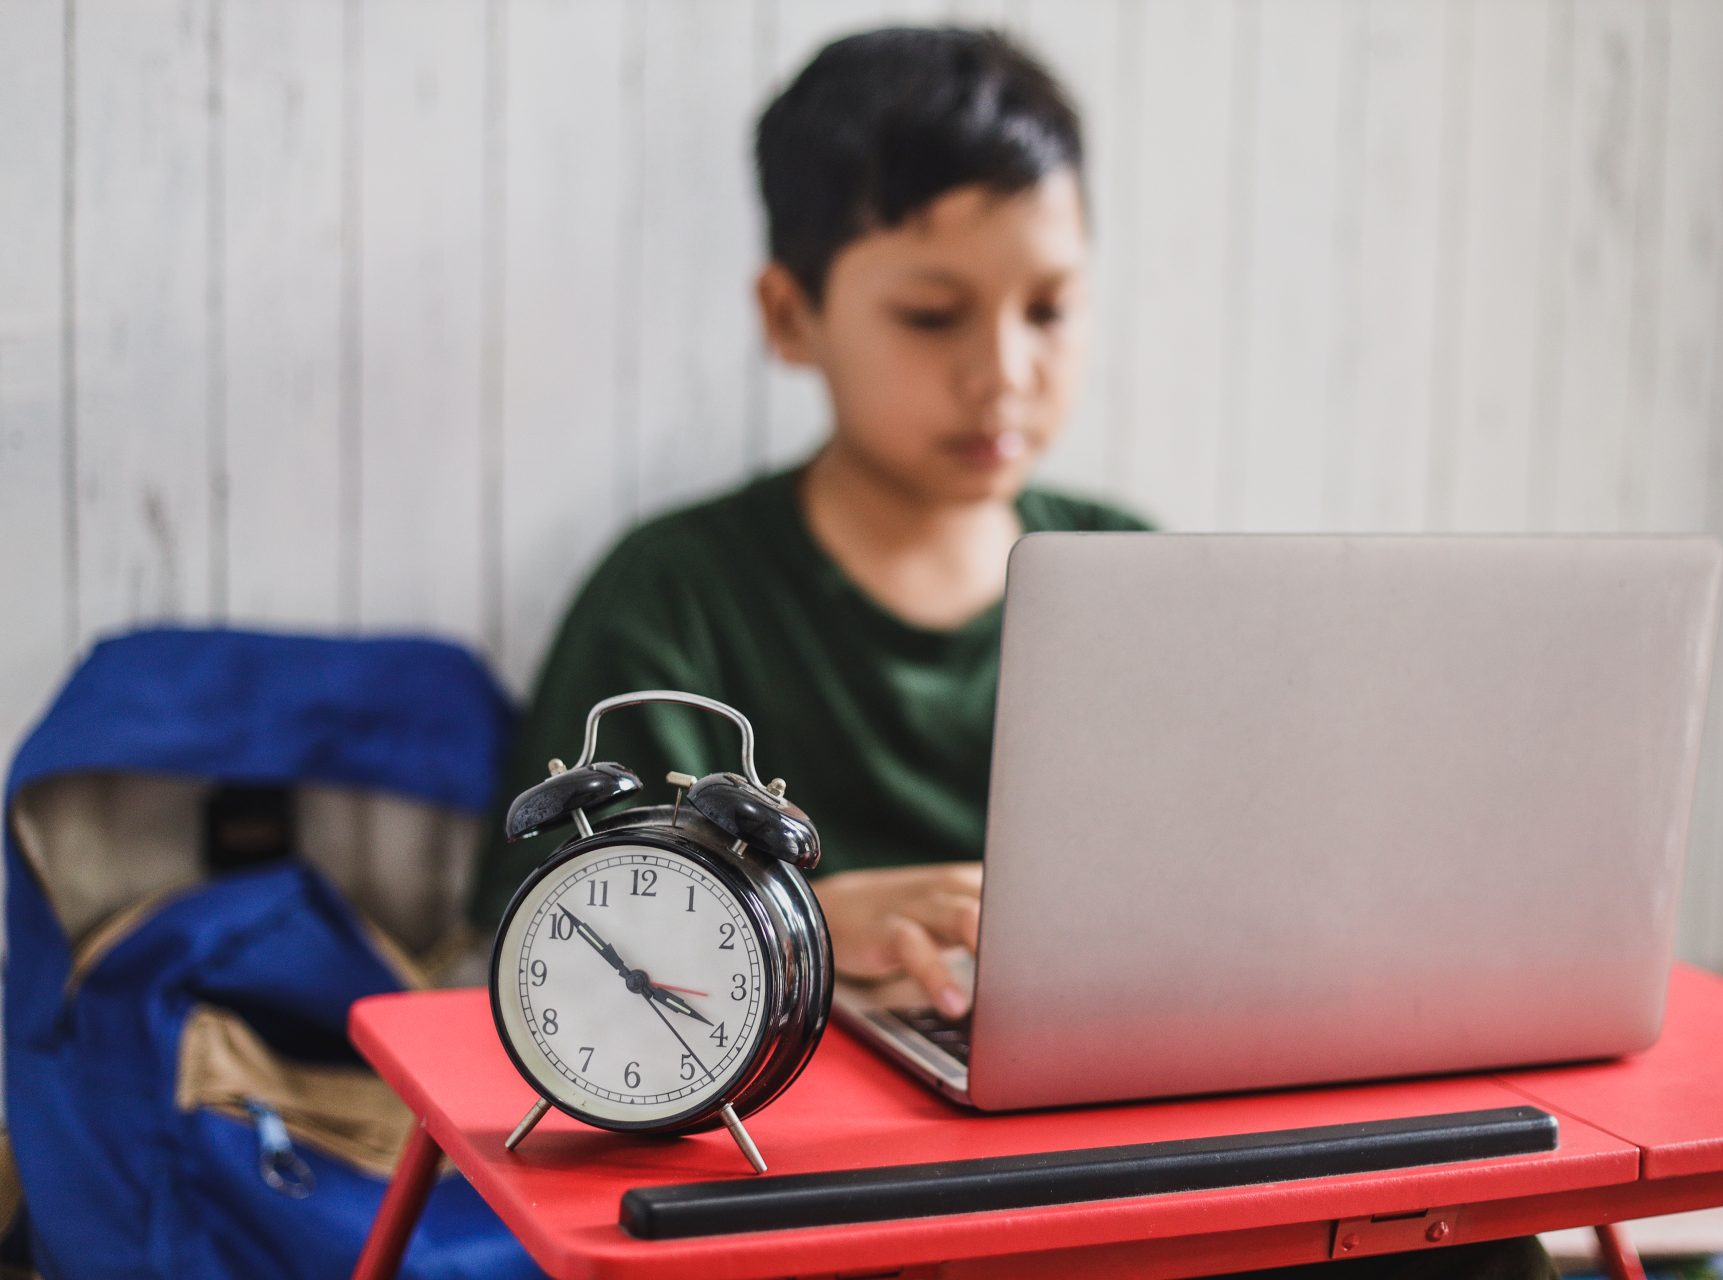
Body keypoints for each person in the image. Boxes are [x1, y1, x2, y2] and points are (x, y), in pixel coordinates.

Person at [464, 26, 1556, 1279]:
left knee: (1480, 1247)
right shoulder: (676, 595)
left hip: (1134, 1135)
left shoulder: (1139, 576)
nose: (1004, 372)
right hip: (826, 1176)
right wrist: (812, 925)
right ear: (790, 313)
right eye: (933, 315)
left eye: (1051, 307)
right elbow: (533, 938)